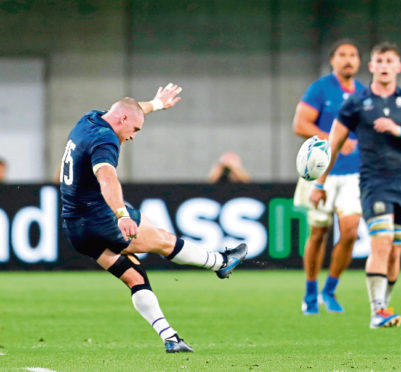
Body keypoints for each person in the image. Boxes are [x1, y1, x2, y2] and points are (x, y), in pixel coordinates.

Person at [59, 83, 248, 353]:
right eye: (135, 130)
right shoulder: (105, 139)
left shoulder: (89, 119)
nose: (134, 136)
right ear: (122, 120)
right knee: (163, 240)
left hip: (75, 228)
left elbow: (132, 109)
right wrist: (121, 214)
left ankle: (170, 338)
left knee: (135, 277)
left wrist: (156, 104)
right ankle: (221, 262)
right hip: (100, 218)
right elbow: (107, 177)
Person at [311, 42, 401, 328]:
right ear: (371, 66)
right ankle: (376, 311)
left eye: (389, 60)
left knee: (394, 251)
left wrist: (399, 130)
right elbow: (334, 144)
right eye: (379, 60)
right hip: (372, 182)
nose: (383, 65)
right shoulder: (356, 103)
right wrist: (320, 183)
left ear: (398, 66)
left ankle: (384, 305)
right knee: (380, 243)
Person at [292, 39, 365, 315]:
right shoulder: (321, 88)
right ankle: (310, 293)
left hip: (354, 174)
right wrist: (333, 140)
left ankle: (330, 290)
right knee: (319, 232)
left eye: (353, 55)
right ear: (332, 60)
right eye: (342, 55)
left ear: (359, 62)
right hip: (321, 172)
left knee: (350, 232)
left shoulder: (363, 93)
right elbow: (300, 124)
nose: (348, 59)